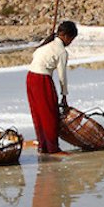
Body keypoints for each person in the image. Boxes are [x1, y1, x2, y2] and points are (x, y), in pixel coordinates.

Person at [26, 20, 78, 156]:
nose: (70, 43)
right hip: (41, 80)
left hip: (30, 77)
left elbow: (35, 56)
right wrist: (64, 95)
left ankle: (43, 145)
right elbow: (62, 76)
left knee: (38, 113)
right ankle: (52, 148)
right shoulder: (61, 51)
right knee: (49, 114)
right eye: (71, 39)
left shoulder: (46, 44)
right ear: (66, 36)